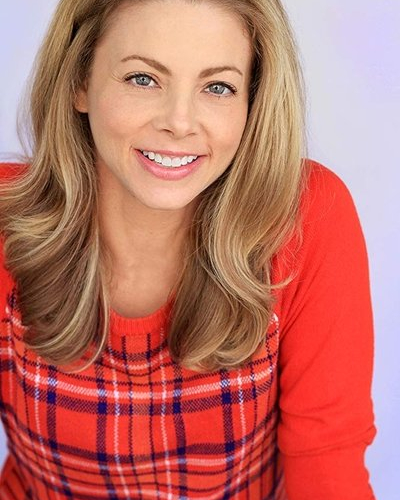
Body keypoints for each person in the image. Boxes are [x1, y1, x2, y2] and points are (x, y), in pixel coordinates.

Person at [0, 0, 377, 498]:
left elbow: (327, 464)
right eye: (142, 79)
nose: (179, 122)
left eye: (217, 87)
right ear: (80, 82)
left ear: (252, 102)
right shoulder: (7, 221)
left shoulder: (307, 219)